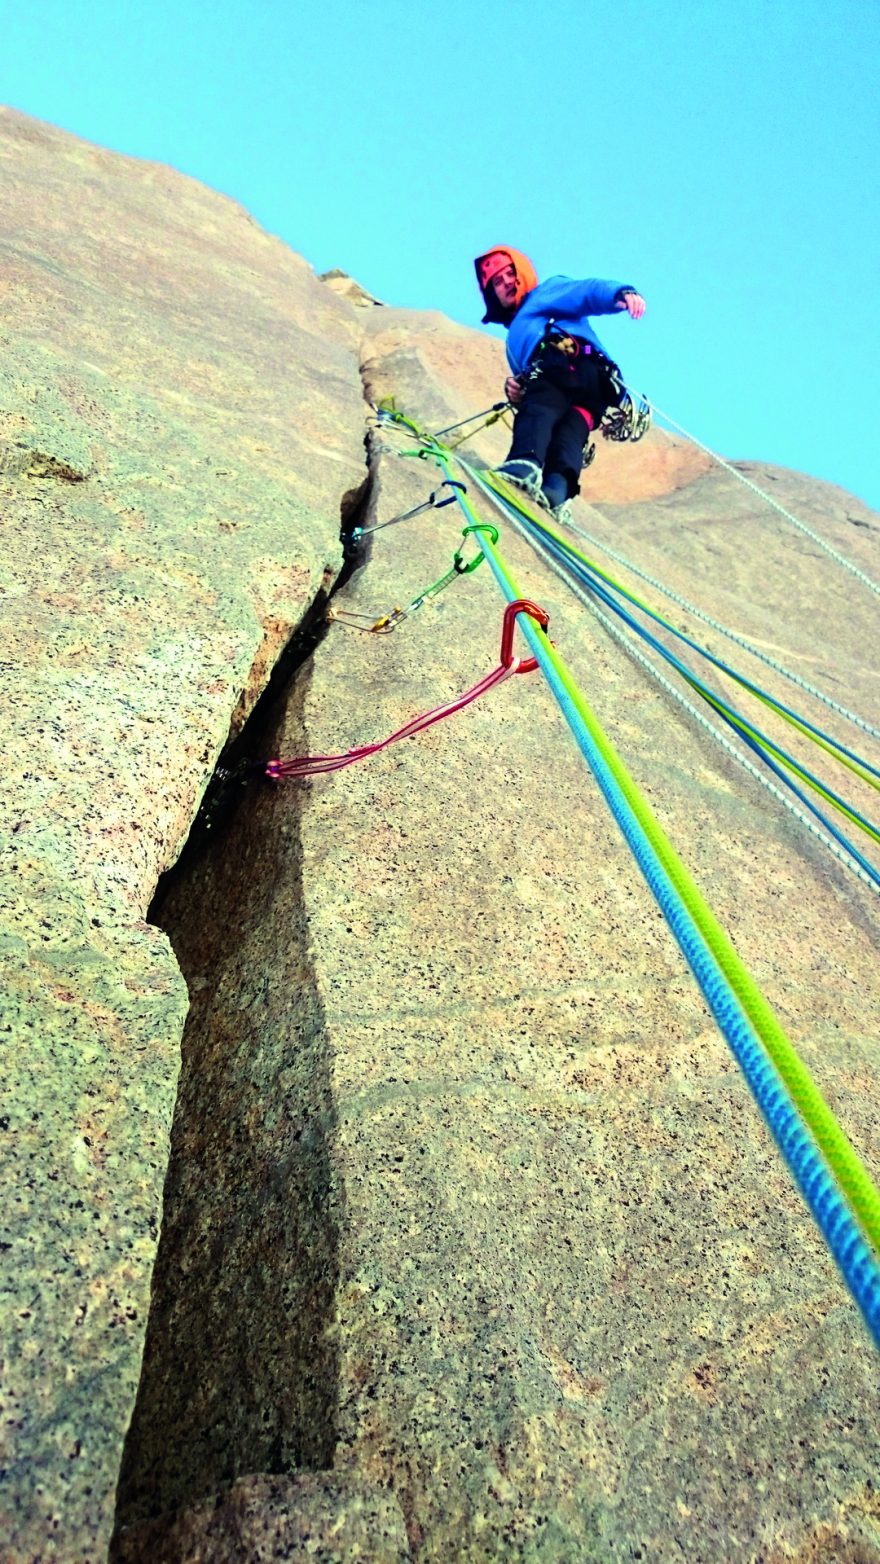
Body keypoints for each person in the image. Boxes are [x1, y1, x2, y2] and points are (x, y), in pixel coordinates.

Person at [474, 246, 646, 523]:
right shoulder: (513, 342)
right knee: (571, 433)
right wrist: (515, 391)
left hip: (566, 363)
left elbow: (585, 292)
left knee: (540, 409)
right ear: (491, 294)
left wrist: (620, 293)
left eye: (510, 273)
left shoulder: (544, 293)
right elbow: (526, 378)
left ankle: (525, 464)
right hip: (596, 385)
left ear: (523, 273)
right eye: (497, 281)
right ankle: (557, 489)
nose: (506, 282)